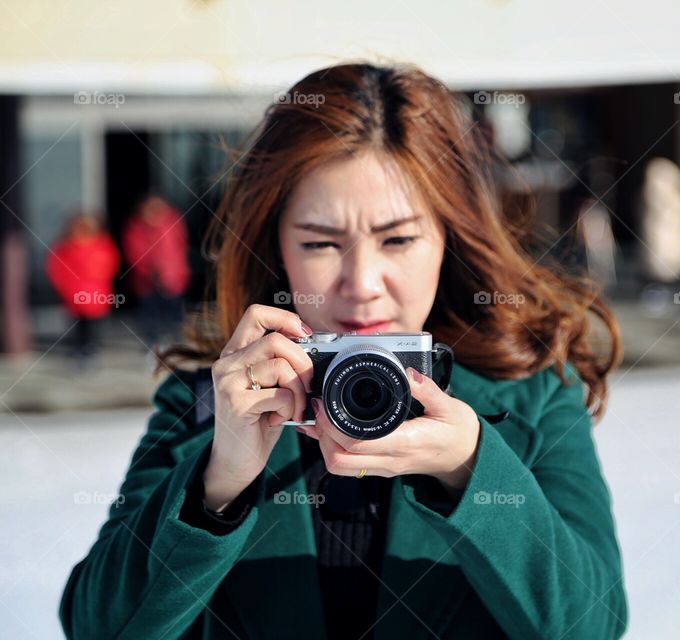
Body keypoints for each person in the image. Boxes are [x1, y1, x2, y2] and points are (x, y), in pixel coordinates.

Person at [60, 63, 627, 639]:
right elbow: (96, 630)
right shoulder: (207, 402)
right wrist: (217, 483)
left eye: (398, 239)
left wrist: (472, 472)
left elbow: (594, 624)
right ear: (276, 244)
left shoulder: (530, 393)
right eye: (321, 242)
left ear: (449, 238)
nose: (361, 282)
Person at [45, 212, 120, 369]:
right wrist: (64, 288)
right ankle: (79, 350)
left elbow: (110, 264)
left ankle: (91, 349)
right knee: (77, 325)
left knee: (94, 325)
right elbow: (56, 269)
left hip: (96, 292)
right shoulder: (65, 246)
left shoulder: (102, 244)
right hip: (74, 294)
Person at [122, 194, 191, 348]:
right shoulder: (136, 227)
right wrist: (148, 269)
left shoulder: (172, 223)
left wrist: (172, 271)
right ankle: (152, 343)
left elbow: (178, 249)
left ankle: (176, 342)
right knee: (150, 314)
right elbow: (134, 252)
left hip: (172, 277)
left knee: (174, 312)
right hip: (147, 279)